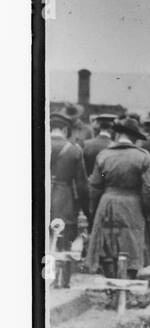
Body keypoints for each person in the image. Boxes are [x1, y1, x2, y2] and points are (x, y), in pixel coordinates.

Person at [86, 118, 150, 280]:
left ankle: (112, 285)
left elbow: (96, 185)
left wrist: (96, 208)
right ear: (134, 137)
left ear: (118, 134)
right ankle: (126, 284)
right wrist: (146, 208)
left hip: (107, 203)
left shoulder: (104, 156)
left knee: (107, 244)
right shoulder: (142, 157)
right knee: (131, 244)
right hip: (132, 204)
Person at [48, 112, 90, 286]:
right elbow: (81, 184)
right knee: (64, 238)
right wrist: (85, 209)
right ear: (65, 129)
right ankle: (62, 280)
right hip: (63, 198)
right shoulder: (73, 150)